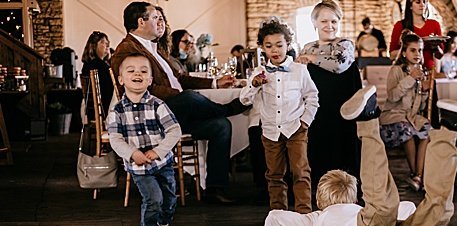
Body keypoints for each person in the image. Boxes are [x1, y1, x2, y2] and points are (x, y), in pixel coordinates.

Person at [261, 80, 457, 226]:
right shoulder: (353, 211)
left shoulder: (315, 218)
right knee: (436, 210)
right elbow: (407, 207)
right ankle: (448, 129)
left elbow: (275, 217)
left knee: (388, 207)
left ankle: (370, 120)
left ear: (320, 201)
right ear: (352, 196)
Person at [111, 3, 242, 204]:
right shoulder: (127, 50)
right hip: (150, 117)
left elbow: (181, 77)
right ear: (141, 22)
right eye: (156, 18)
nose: (161, 22)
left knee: (221, 126)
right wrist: (178, 96)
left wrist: (216, 82)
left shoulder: (156, 49)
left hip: (174, 114)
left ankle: (215, 188)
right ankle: (228, 108)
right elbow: (140, 88)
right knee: (189, 97)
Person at [105, 50, 181, 226]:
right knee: (153, 198)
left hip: (162, 163)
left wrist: (159, 151)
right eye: (131, 70)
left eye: (143, 71)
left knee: (169, 200)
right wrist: (132, 153)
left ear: (150, 79)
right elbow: (115, 138)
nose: (137, 74)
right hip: (139, 167)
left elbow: (174, 131)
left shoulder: (158, 105)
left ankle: (162, 222)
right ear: (121, 79)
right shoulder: (118, 111)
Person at [242, 17, 319, 213]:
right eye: (269, 46)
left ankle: (304, 215)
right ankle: (278, 214)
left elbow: (312, 97)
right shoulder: (258, 73)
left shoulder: (300, 71)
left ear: (288, 45)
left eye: (279, 45)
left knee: (300, 172)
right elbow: (244, 100)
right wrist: (254, 85)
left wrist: (305, 121)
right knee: (274, 175)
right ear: (262, 48)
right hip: (270, 130)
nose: (274, 50)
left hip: (296, 127)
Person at [297, 0, 362, 184]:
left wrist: (310, 58)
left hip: (341, 109)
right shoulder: (307, 47)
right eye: (324, 21)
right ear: (314, 23)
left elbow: (339, 65)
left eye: (334, 21)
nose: (329, 26)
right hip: (317, 109)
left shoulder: (345, 44)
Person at [380, 30, 433, 190]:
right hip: (393, 116)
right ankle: (414, 173)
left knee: (427, 131)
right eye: (413, 50)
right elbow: (393, 96)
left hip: (411, 116)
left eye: (420, 50)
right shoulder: (396, 71)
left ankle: (418, 175)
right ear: (404, 52)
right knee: (407, 131)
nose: (417, 54)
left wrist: (424, 92)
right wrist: (411, 79)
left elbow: (420, 106)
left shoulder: (421, 72)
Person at [81, 31, 115, 119]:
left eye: (108, 42)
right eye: (103, 42)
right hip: (105, 110)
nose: (107, 45)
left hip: (94, 111)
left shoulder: (87, 65)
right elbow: (111, 89)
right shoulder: (100, 66)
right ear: (94, 45)